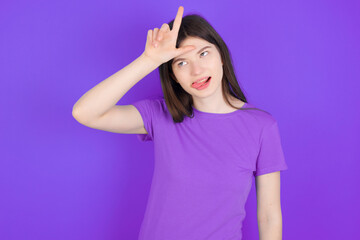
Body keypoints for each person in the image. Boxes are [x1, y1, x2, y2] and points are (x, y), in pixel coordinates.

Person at [72, 6, 288, 240]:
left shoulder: (262, 126)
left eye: (204, 54)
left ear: (222, 57)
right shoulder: (159, 115)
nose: (196, 70)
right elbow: (85, 112)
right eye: (181, 63)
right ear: (173, 75)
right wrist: (149, 60)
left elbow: (269, 214)